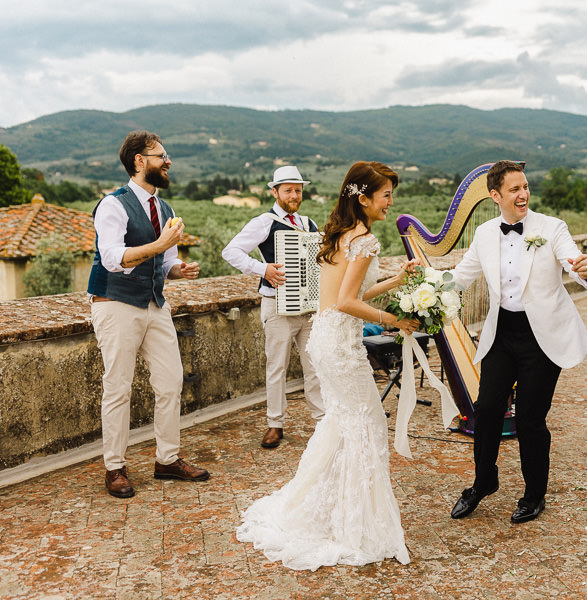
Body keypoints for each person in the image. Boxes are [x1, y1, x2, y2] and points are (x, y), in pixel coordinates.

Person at [236, 161, 420, 570]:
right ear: (364, 197)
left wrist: (395, 281)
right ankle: (356, 524)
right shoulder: (365, 239)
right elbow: (348, 302)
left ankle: (331, 509)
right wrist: (394, 320)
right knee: (367, 423)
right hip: (340, 345)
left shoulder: (338, 233)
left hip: (325, 336)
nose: (391, 202)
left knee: (342, 423)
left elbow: (347, 292)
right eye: (386, 194)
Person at [447, 160, 587, 524]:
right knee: (485, 411)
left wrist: (583, 268)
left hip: (541, 337)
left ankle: (534, 495)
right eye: (514, 189)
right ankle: (483, 482)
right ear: (495, 195)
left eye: (525, 186)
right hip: (502, 333)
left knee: (530, 419)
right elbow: (460, 278)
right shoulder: (484, 234)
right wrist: (425, 290)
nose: (523, 194)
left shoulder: (551, 227)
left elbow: (571, 257)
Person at [88, 130, 209, 498]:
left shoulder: (166, 209)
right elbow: (111, 257)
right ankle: (115, 468)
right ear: (139, 161)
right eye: (160, 156)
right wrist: (159, 245)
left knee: (171, 382)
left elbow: (166, 260)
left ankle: (167, 460)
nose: (167, 161)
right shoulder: (113, 204)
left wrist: (178, 269)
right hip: (116, 304)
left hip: (156, 304)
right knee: (118, 388)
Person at [222, 166, 324, 448]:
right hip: (276, 306)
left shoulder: (309, 223)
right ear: (275, 192)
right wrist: (263, 269)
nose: (294, 195)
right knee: (276, 367)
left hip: (309, 308)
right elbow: (230, 251)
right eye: (288, 190)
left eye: (298, 190)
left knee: (314, 365)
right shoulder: (264, 222)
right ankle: (274, 424)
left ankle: (322, 421)